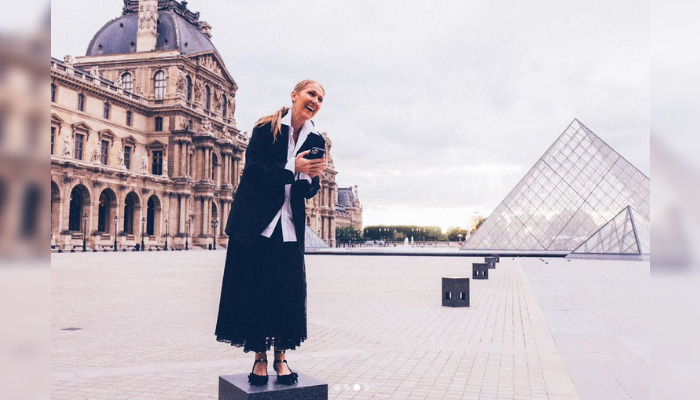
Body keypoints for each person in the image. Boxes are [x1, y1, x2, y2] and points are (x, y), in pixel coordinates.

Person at [215, 80, 327, 386]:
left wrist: (310, 177)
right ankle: (260, 359)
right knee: (257, 293)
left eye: (320, 98)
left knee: (286, 295)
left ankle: (282, 358)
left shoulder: (316, 138)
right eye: (311, 94)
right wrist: (294, 167)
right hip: (257, 225)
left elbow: (308, 188)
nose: (315, 100)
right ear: (294, 95)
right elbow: (253, 172)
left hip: (290, 226)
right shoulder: (266, 129)